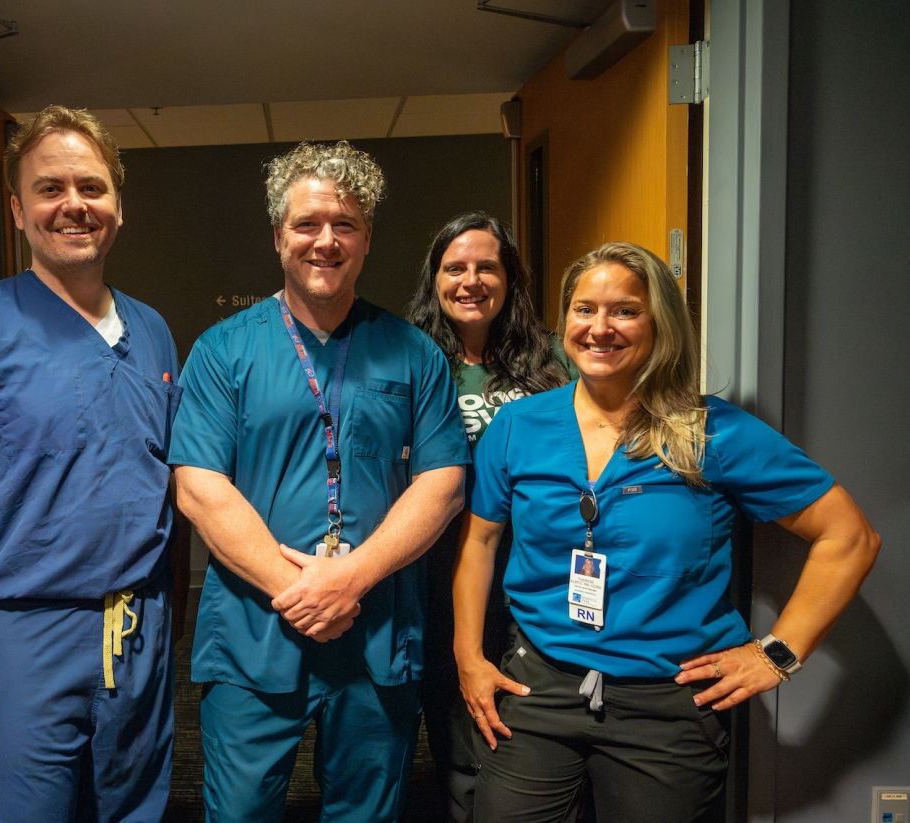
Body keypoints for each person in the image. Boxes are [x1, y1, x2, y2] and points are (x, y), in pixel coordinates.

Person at [455, 241, 881, 821]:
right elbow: (479, 544)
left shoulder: (712, 433)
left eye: (625, 311)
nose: (600, 328)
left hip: (667, 704)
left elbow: (849, 538)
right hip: (536, 691)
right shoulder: (519, 425)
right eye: (584, 309)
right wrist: (469, 657)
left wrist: (777, 654)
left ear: (660, 323)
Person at [0, 105, 180, 822]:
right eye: (50, 189)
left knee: (136, 809)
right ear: (18, 210)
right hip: (23, 632)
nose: (74, 205)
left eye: (92, 187)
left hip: (138, 628)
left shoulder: (152, 331)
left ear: (118, 204)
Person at [169, 141, 468, 822]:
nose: (324, 241)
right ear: (279, 236)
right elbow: (198, 487)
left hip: (375, 631)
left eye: (345, 224)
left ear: (366, 240)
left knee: (366, 813)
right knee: (239, 810)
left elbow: (443, 483)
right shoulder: (224, 349)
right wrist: (302, 591)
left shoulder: (413, 352)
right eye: (306, 224)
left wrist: (351, 578)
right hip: (255, 632)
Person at [403, 211, 570, 822]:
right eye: (455, 268)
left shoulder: (554, 359)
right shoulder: (412, 357)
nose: (471, 281)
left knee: (535, 728)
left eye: (486, 267)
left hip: (539, 576)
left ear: (509, 279)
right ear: (436, 279)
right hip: (444, 575)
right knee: (460, 729)